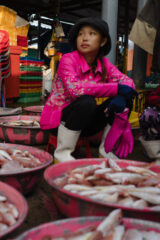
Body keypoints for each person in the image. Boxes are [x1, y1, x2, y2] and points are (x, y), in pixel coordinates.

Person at [40, 17, 137, 162]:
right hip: (59, 121)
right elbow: (75, 90)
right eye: (81, 34)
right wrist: (116, 89)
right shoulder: (68, 59)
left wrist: (120, 97)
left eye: (92, 34)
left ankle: (106, 151)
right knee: (87, 101)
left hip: (85, 122)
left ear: (102, 41)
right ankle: (62, 154)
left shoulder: (104, 63)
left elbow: (128, 82)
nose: (85, 38)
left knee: (126, 100)